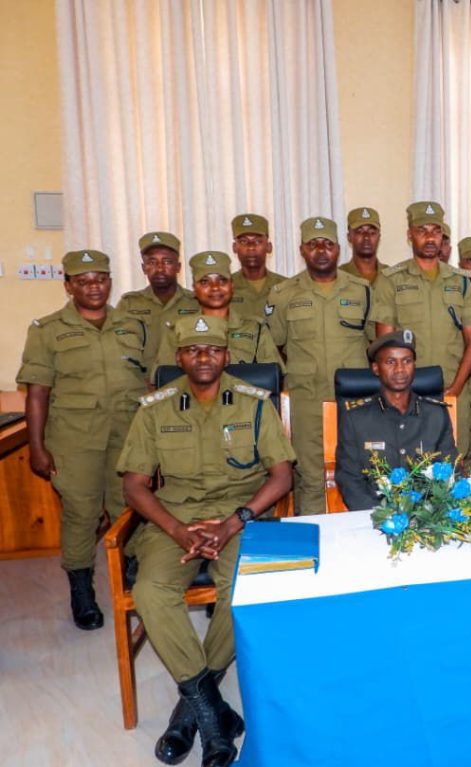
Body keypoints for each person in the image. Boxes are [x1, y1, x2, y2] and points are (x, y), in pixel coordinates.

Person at [118, 315, 295, 767]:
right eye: (193, 350)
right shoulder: (155, 408)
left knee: (244, 589)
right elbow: (134, 485)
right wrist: (178, 530)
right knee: (150, 591)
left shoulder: (255, 404)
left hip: (239, 517)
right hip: (173, 519)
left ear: (226, 356)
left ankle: (191, 711)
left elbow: (282, 476)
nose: (203, 358)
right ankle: (212, 711)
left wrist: (232, 524)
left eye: (213, 350)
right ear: (179, 357)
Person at [17, 249, 149, 630]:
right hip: (75, 441)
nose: (94, 286)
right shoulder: (47, 330)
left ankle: (132, 575)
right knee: (81, 514)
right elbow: (37, 394)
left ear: (110, 282)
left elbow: (146, 381)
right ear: (68, 285)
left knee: (129, 508)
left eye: (100, 279)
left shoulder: (131, 325)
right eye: (84, 280)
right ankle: (81, 590)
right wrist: (36, 447)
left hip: (125, 436)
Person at [266, 216, 372, 515]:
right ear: (302, 249)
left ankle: (360, 534)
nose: (321, 250)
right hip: (306, 400)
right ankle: (316, 536)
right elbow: (275, 345)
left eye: (327, 244)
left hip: (354, 402)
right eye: (313, 244)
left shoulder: (361, 290)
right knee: (311, 476)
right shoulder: (284, 294)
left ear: (338, 248)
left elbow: (374, 343)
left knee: (361, 471)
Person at [370, 201, 471, 458]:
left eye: (436, 231)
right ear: (410, 235)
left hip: (452, 389)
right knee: (408, 463)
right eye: (422, 230)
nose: (430, 238)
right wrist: (401, 390)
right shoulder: (391, 280)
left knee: (453, 462)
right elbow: (385, 345)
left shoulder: (460, 282)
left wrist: (456, 388)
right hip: (408, 392)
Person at [335, 330, 457, 511]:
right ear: (376, 368)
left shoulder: (436, 414)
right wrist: (381, 516)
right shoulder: (355, 418)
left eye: (407, 361)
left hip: (427, 516)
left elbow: (451, 469)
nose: (400, 369)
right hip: (374, 515)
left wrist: (429, 514)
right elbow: (349, 479)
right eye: (391, 362)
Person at [151, 251, 284, 377]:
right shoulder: (178, 330)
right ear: (194, 288)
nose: (215, 287)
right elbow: (165, 379)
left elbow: (273, 377)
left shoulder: (255, 328)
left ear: (232, 285)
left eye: (222, 280)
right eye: (205, 281)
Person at [117, 231, 200, 371]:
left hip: (184, 380)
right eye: (152, 262)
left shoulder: (195, 303)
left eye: (167, 262)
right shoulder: (129, 304)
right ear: (144, 268)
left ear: (178, 267)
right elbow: (119, 351)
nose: (160, 268)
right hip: (140, 381)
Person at [230, 214, 286, 322]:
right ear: (234, 247)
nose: (251, 247)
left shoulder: (286, 287)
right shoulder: (224, 289)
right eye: (243, 241)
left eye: (258, 241)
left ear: (269, 247)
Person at [342, 206, 385, 285]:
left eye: (372, 232)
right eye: (359, 232)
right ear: (349, 237)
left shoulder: (392, 278)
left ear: (379, 237)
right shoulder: (336, 277)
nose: (366, 237)